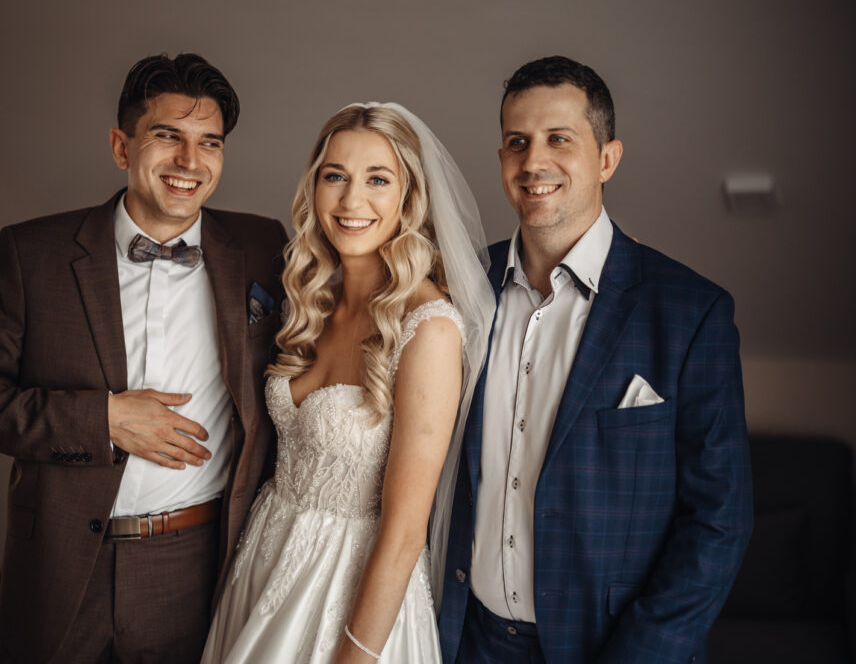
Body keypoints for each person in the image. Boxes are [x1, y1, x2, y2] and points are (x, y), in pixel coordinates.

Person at [0, 53, 288, 663]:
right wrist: (103, 420)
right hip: (62, 569)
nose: (190, 162)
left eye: (209, 142)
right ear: (122, 147)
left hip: (200, 566)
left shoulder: (263, 246)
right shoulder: (32, 254)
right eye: (167, 136)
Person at [437, 55, 753, 664]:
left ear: (607, 159)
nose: (533, 162)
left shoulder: (690, 312)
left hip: (609, 648)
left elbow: (719, 521)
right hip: (465, 641)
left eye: (559, 139)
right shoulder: (458, 287)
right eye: (517, 142)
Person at [201, 103, 495, 663]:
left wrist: (355, 655)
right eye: (335, 176)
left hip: (350, 590)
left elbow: (406, 533)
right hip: (264, 561)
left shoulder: (428, 328)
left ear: (409, 197)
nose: (351, 200)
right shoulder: (313, 302)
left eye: (378, 180)